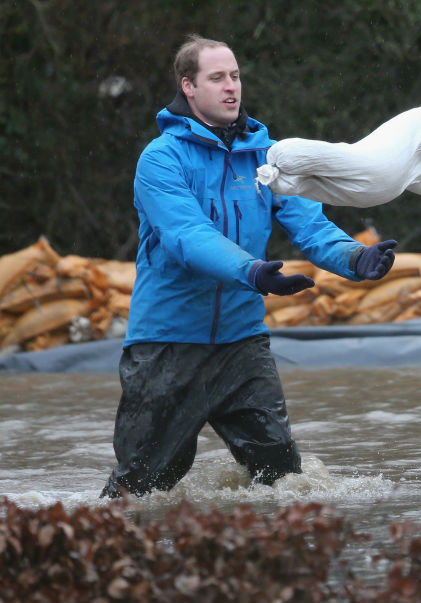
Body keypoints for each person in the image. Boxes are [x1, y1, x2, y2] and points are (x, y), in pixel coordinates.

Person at [101, 35, 397, 498]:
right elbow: (187, 237)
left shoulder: (268, 156)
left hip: (243, 344)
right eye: (216, 77)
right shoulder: (160, 159)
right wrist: (253, 271)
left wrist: (356, 257)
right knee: (142, 489)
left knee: (284, 480)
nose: (230, 87)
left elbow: (310, 225)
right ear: (189, 87)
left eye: (235, 76)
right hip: (168, 343)